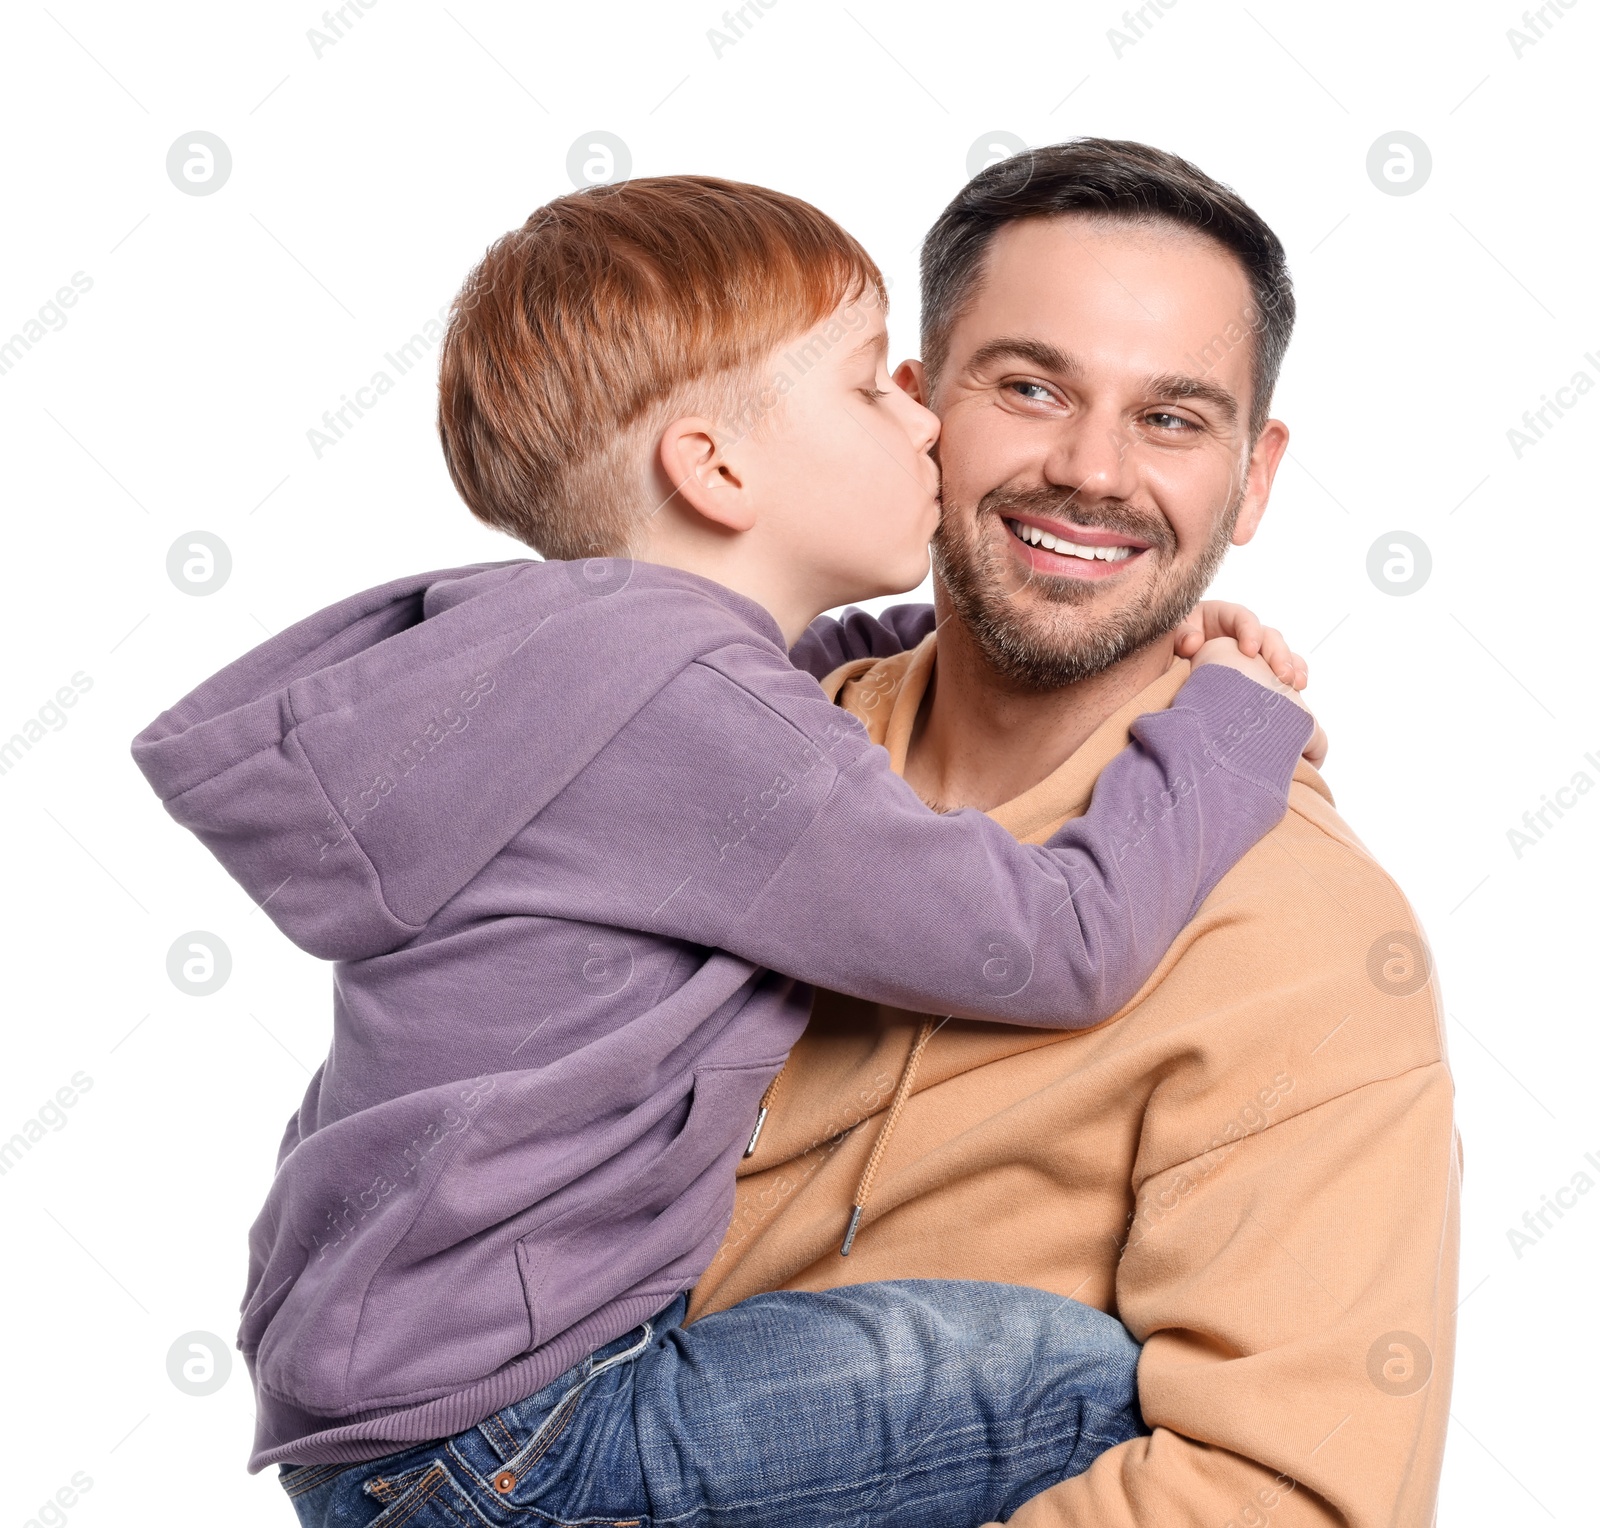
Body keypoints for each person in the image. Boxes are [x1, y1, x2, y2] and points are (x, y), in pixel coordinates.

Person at [130, 175, 1317, 1525]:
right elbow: (1057, 943)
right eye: (876, 388)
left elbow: (754, 743)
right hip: (529, 1436)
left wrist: (921, 654)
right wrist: (1232, 727)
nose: (928, 424)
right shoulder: (690, 722)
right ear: (719, 468)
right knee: (1071, 1380)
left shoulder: (576, 665)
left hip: (380, 1424)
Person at [692, 140, 1459, 1527]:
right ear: (916, 413)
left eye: (1171, 418)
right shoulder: (721, 752)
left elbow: (1284, 1497)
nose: (1091, 472)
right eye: (1032, 387)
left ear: (1254, 474)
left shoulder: (1297, 934)